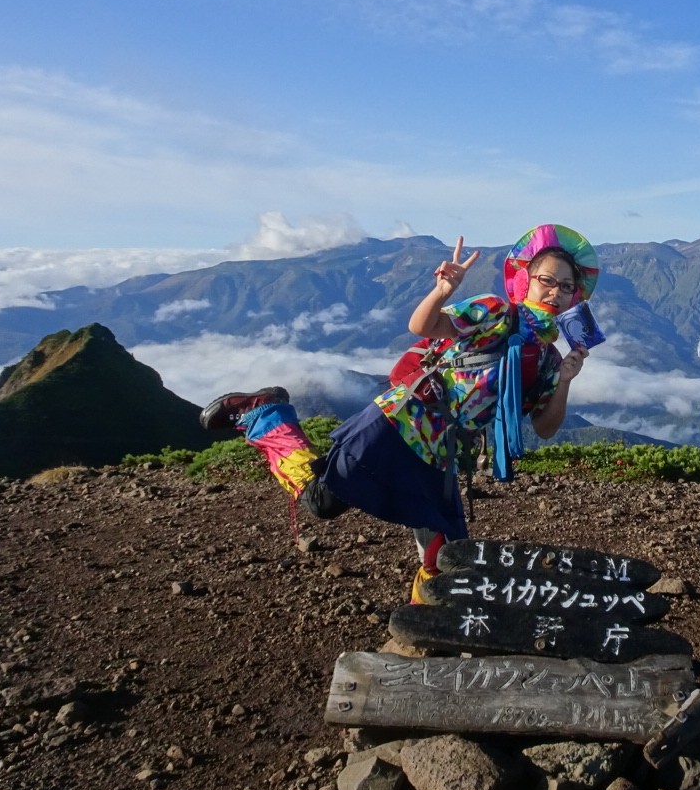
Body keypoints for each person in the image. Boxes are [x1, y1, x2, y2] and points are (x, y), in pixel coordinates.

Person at [199, 223, 599, 602]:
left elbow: (545, 428)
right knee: (324, 502)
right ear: (525, 279)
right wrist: (443, 290)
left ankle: (425, 630)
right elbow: (423, 326)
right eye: (548, 280)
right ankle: (267, 414)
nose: (556, 293)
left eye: (566, 286)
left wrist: (565, 380)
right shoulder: (495, 311)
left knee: (447, 552)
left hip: (440, 452)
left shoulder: (547, 359)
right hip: (400, 420)